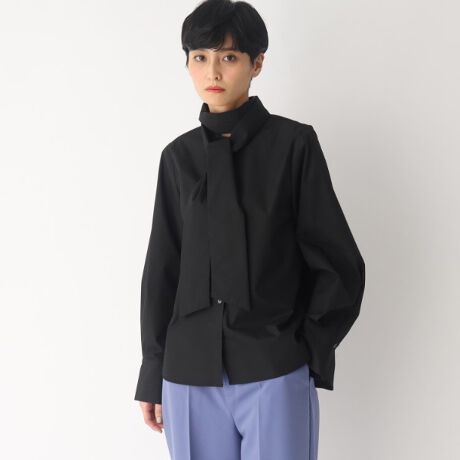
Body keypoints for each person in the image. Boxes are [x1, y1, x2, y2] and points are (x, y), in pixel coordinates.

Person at [134, 1, 366, 459]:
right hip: (187, 377)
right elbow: (162, 270)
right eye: (200, 57)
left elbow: (337, 261)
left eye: (229, 56)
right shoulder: (177, 158)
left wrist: (305, 349)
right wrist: (153, 370)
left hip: (274, 369)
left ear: (257, 63)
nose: (212, 71)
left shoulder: (294, 145)